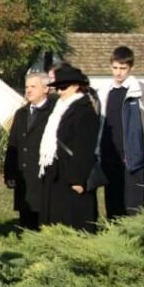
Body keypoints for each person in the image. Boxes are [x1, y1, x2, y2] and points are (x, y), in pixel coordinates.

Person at [97, 46, 144, 218]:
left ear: (131, 68)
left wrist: (140, 156)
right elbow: (101, 124)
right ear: (110, 66)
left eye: (123, 68)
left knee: (133, 208)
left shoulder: (141, 91)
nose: (118, 73)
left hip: (132, 160)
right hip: (110, 157)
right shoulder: (105, 92)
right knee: (113, 206)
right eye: (115, 67)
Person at [38, 65, 100, 231]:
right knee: (56, 218)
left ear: (76, 86)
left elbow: (85, 147)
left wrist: (78, 179)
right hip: (57, 171)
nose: (59, 91)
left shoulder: (84, 110)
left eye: (63, 87)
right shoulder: (61, 107)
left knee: (74, 220)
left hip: (72, 174)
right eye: (57, 87)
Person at [4, 72, 55, 230]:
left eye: (33, 87)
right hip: (23, 173)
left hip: (42, 173)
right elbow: (13, 144)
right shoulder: (21, 113)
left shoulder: (53, 113)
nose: (28, 90)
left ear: (46, 89)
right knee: (26, 215)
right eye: (26, 87)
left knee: (43, 215)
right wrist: (10, 172)